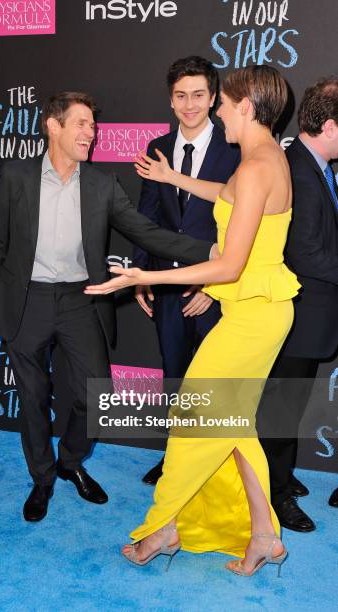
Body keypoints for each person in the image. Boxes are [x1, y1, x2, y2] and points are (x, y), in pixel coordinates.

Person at [85, 66, 300, 576]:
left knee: (191, 417)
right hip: (259, 309)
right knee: (232, 422)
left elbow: (229, 264)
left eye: (223, 103)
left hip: (253, 315)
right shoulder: (265, 158)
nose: (217, 111)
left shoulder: (256, 167)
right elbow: (225, 197)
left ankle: (163, 527)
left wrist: (142, 275)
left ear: (245, 106)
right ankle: (264, 536)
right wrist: (172, 178)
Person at [0, 91, 216, 523]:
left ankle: (70, 463)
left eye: (93, 125)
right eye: (81, 124)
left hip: (81, 298)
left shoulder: (101, 184)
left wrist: (212, 252)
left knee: (95, 393)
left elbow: (147, 232)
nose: (90, 133)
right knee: (33, 397)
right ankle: (42, 478)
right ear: (53, 126)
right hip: (27, 299)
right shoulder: (15, 177)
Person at [133, 57, 240, 486]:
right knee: (174, 375)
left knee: (217, 382)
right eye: (181, 95)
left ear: (213, 98)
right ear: (170, 99)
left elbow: (242, 227)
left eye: (198, 95)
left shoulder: (234, 149)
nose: (189, 104)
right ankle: (175, 457)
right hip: (167, 286)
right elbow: (147, 217)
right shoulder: (156, 148)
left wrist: (214, 285)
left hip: (216, 287)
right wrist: (142, 272)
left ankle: (213, 466)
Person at [257, 78, 338, 528]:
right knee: (281, 410)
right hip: (296, 314)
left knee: (286, 406)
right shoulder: (298, 172)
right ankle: (275, 494)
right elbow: (304, 252)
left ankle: (280, 476)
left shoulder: (313, 166)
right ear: (329, 126)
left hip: (309, 313)